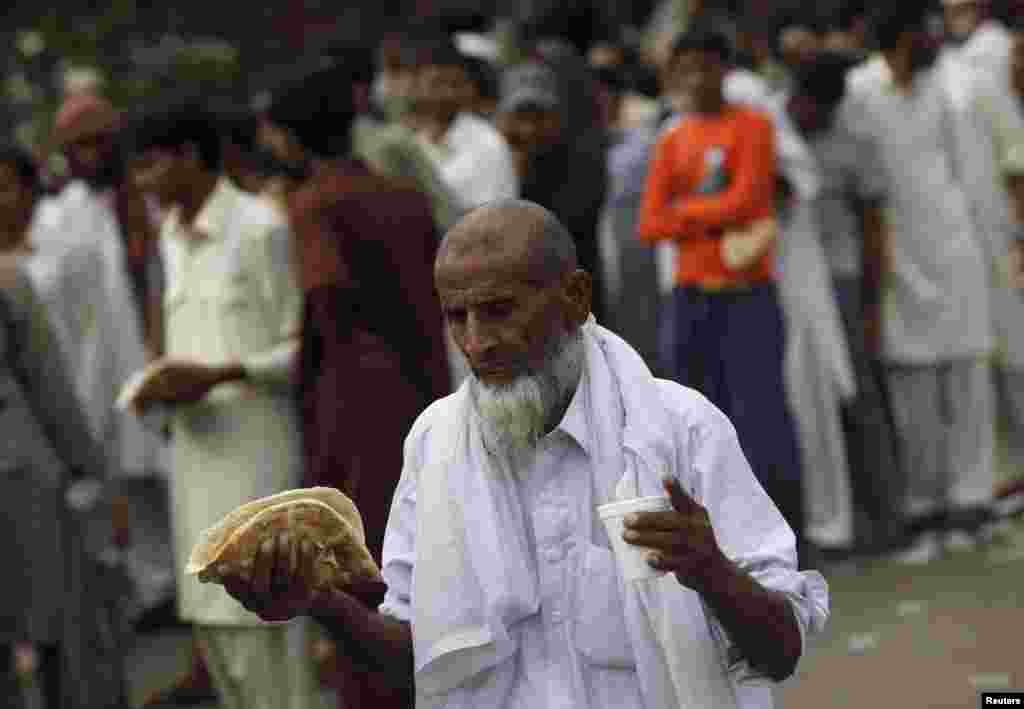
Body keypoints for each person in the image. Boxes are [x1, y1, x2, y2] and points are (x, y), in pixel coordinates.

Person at [216, 199, 829, 709]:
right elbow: (422, 662)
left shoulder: (680, 429)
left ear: (577, 297)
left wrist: (712, 572)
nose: (477, 343)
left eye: (500, 310)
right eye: (458, 318)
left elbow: (783, 651)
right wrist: (320, 603)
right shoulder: (435, 444)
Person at [259, 67, 452, 709]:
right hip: (421, 385)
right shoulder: (404, 195)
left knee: (356, 563)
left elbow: (325, 305)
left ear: (290, 140)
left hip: (354, 399)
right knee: (425, 554)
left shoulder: (315, 204)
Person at [125, 103, 323, 709]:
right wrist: (162, 384)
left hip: (258, 467)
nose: (143, 183)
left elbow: (307, 350)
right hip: (195, 467)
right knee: (217, 636)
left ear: (191, 157)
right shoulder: (169, 234)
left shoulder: (261, 227)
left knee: (275, 649)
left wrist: (223, 374)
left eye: (153, 166)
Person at [637, 25, 808, 557]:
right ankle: (714, 542)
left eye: (705, 66)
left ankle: (782, 539)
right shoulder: (671, 137)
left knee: (761, 416)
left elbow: (751, 201)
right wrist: (708, 215)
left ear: (722, 71)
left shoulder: (753, 126)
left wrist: (684, 212)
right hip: (690, 295)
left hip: (748, 292)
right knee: (690, 416)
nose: (695, 78)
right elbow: (648, 223)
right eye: (684, 68)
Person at [847, 2, 998, 562]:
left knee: (965, 380)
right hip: (898, 254)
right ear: (896, 43)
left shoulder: (953, 83)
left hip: (955, 246)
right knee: (913, 394)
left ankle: (972, 504)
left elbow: (973, 172)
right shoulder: (862, 90)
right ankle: (925, 510)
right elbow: (867, 188)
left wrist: (989, 246)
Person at [0, 146, 130, 709]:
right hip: (25, 476)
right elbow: (51, 392)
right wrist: (93, 476)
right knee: (60, 639)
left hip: (28, 474)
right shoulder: (8, 281)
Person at [787, 53, 905, 556]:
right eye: (800, 101)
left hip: (841, 282)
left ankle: (885, 519)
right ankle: (823, 522)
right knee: (806, 405)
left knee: (859, 398)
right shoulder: (775, 133)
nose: (804, 112)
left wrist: (873, 308)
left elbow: (875, 231)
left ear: (832, 107)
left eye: (816, 107)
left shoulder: (854, 145)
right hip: (789, 283)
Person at [495, 60, 608, 322]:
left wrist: (518, 174)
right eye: (521, 117)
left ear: (558, 117)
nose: (529, 129)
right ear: (502, 118)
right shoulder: (491, 158)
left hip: (571, 301)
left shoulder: (583, 160)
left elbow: (553, 233)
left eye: (539, 117)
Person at [409, 37, 519, 211]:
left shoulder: (489, 143)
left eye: (455, 84)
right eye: (436, 84)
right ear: (417, 86)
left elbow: (492, 214)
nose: (446, 93)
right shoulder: (409, 140)